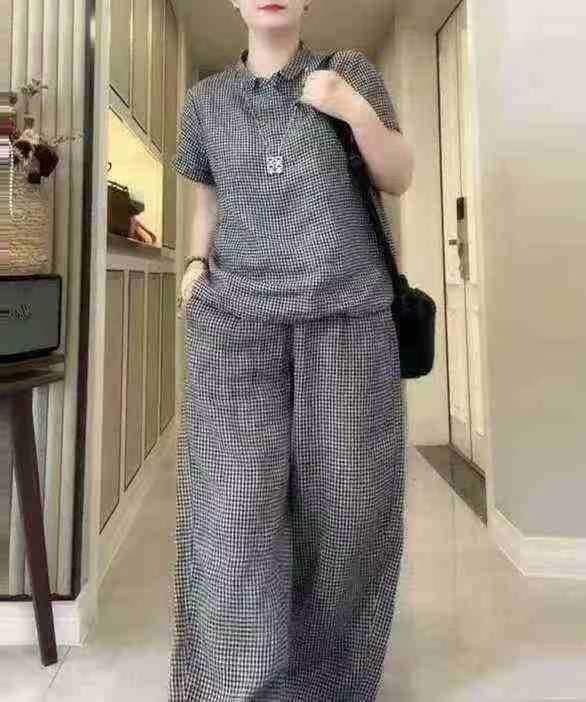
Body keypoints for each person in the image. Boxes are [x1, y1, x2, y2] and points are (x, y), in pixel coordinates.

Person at [168, 1, 414, 699]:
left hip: (348, 320)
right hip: (235, 325)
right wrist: (195, 263)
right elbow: (209, 200)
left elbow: (398, 175)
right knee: (233, 512)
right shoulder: (205, 102)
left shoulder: (349, 72)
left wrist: (352, 111)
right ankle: (234, 684)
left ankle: (324, 686)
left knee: (348, 514)